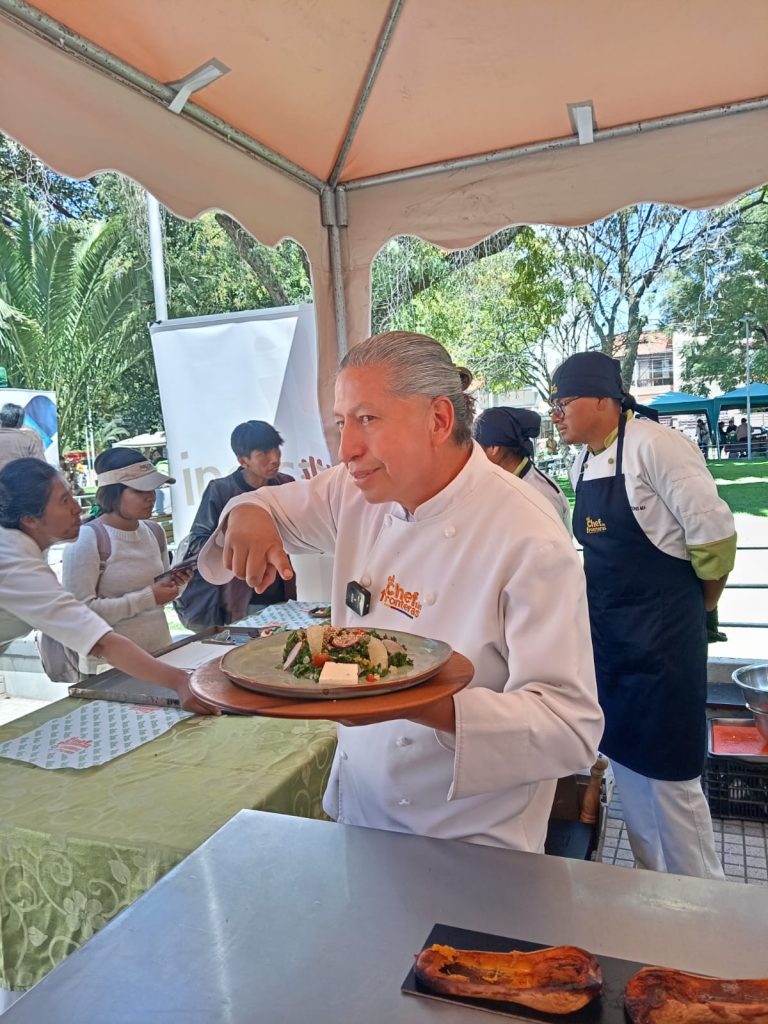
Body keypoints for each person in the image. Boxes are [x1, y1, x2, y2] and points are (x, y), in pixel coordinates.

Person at [199, 331, 603, 852]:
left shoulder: (527, 535)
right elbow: (273, 508)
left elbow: (568, 728)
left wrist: (406, 699)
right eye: (342, 423)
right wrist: (250, 511)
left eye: (368, 420)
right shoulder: (357, 491)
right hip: (360, 809)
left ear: (437, 419)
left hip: (469, 840)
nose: (346, 450)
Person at [550, 350, 736, 878]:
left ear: (604, 400)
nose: (557, 413)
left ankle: (705, 905)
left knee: (672, 784)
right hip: (613, 644)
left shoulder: (659, 446)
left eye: (564, 401)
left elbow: (716, 541)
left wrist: (698, 608)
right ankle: (653, 899)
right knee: (628, 773)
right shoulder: (583, 461)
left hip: (663, 643)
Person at [0, 458, 217, 714]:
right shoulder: (14, 561)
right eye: (63, 501)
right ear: (30, 520)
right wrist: (181, 682)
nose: (77, 509)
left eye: (72, 496)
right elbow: (100, 640)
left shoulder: (18, 550)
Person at [61, 448, 184, 676]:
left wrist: (178, 583)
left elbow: (160, 596)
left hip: (161, 655)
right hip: (108, 667)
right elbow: (79, 614)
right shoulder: (86, 539)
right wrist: (149, 597)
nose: (151, 496)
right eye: (140, 490)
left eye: (153, 488)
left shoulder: (154, 531)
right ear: (113, 493)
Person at [175, 421, 296, 632]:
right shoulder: (220, 490)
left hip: (282, 585)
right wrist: (234, 532)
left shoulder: (286, 483)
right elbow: (198, 540)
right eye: (263, 453)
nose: (275, 458)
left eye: (276, 449)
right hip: (241, 593)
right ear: (243, 460)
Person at [473, 406, 571, 532]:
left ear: (494, 448)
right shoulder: (500, 482)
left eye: (476, 447)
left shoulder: (540, 493)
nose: (473, 455)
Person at [0, 403, 45, 472]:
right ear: (20, 422)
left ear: (1, 419)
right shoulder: (29, 440)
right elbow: (41, 467)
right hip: (19, 481)